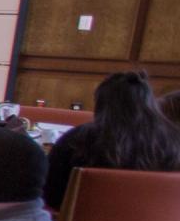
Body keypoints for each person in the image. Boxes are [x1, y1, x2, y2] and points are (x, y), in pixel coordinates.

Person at [44, 69, 180, 211]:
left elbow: (50, 192)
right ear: (149, 103)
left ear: (101, 104)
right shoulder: (172, 142)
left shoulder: (79, 138)